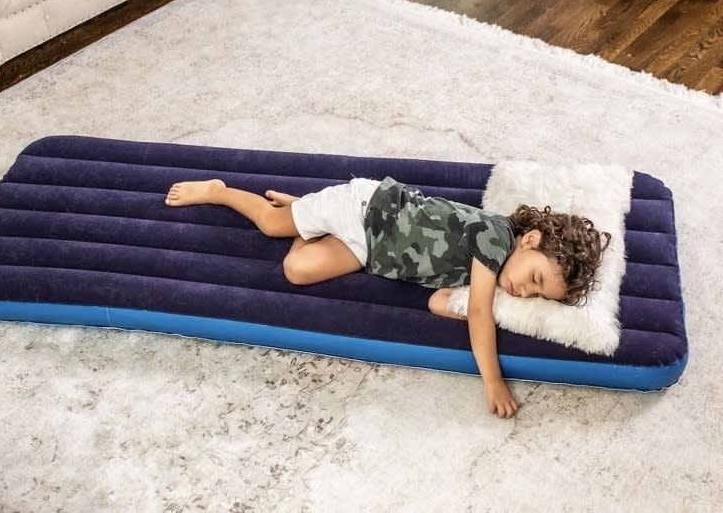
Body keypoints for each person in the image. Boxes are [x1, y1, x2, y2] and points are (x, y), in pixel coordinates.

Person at [165, 176, 611, 419]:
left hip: (368, 250)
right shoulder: (495, 238)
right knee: (270, 225)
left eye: (537, 295)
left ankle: (307, 211)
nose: (524, 291)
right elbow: (478, 314)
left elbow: (439, 303)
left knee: (295, 270)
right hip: (365, 211)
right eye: (533, 278)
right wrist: (493, 380)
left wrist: (472, 302)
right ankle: (221, 191)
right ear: (529, 239)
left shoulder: (489, 273)